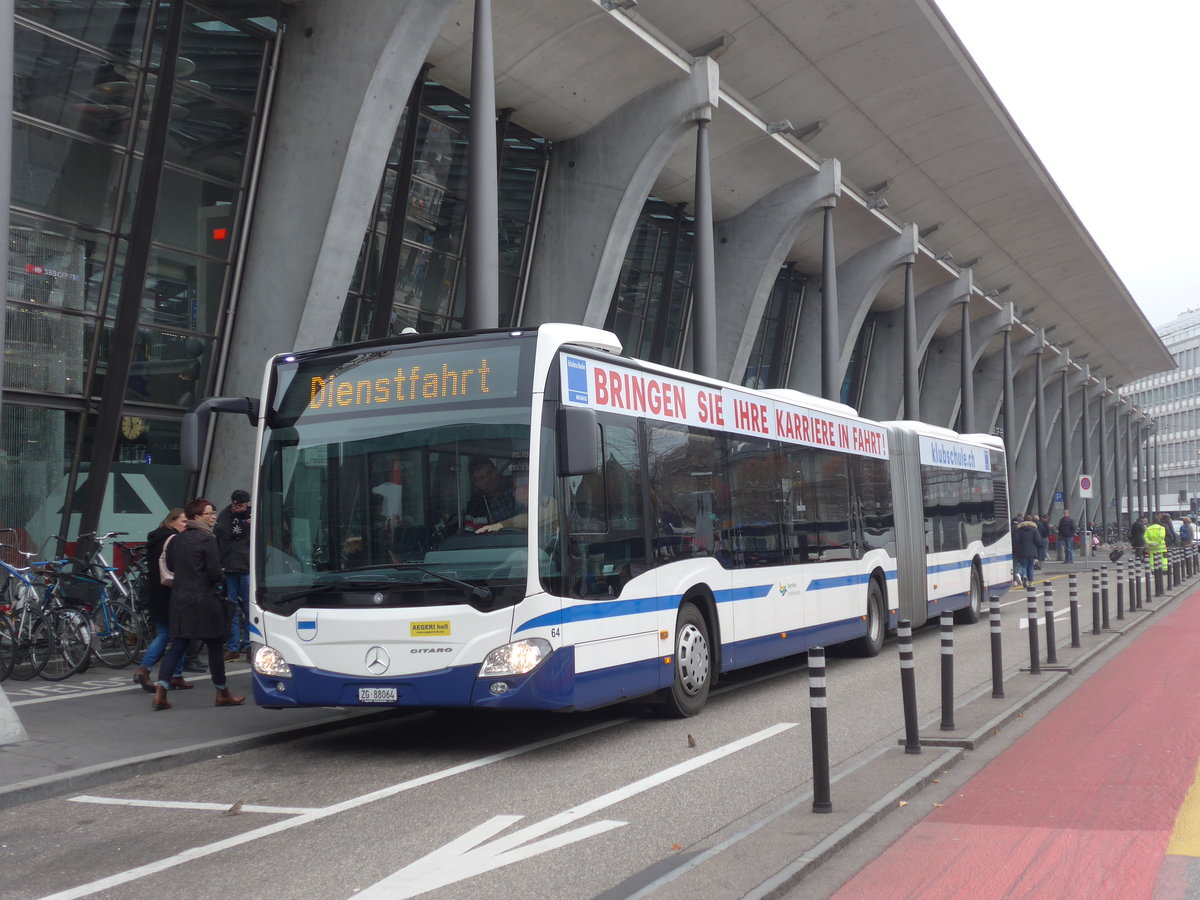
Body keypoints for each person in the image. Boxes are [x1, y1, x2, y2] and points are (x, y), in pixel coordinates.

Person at [151, 498, 245, 711]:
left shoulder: (178, 539)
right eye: (209, 513)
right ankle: (222, 692)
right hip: (204, 599)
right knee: (213, 645)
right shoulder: (207, 539)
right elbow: (213, 572)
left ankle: (161, 691)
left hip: (179, 599)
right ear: (197, 517)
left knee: (178, 645)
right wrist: (219, 575)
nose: (213, 517)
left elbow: (173, 567)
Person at [132, 509, 190, 693]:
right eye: (184, 521)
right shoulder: (173, 540)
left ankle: (177, 675)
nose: (186, 525)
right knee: (170, 634)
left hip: (156, 593)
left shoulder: (156, 539)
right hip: (170, 592)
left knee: (175, 634)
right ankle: (145, 668)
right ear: (172, 522)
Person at [215, 489, 251, 661]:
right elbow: (218, 537)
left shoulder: (253, 516)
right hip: (229, 568)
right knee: (231, 608)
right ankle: (233, 647)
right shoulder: (224, 515)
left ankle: (252, 646)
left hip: (247, 568)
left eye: (242, 505)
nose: (238, 508)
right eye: (236, 505)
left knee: (250, 609)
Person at [463, 457, 518, 533]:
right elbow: (471, 536)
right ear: (476, 483)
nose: (488, 480)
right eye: (481, 478)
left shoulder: (515, 487)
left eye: (490, 473)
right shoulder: (475, 507)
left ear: (496, 471)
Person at [1012, 514, 1044, 590]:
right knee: (1031, 567)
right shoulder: (1034, 530)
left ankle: (1024, 577)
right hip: (1032, 550)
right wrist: (1039, 547)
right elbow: (1038, 540)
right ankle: (1031, 582)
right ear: (1031, 521)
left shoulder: (1019, 530)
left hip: (1022, 551)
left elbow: (1016, 540)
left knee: (1024, 566)